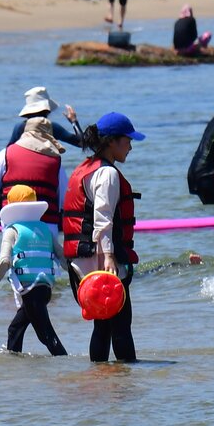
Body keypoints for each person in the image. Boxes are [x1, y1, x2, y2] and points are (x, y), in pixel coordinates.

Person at [61, 113, 144, 363]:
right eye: (127, 140)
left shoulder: (86, 167)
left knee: (102, 326)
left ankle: (100, 378)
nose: (130, 146)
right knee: (120, 326)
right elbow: (103, 218)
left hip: (82, 264)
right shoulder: (107, 174)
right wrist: (108, 256)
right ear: (112, 142)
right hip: (101, 262)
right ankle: (126, 384)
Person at [0, 189, 67, 356]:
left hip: (30, 291)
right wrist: (80, 277)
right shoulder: (46, 230)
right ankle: (15, 367)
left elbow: (4, 261)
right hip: (45, 289)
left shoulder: (12, 231)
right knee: (15, 329)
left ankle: (65, 365)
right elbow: (64, 258)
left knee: (46, 336)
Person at [0, 117, 69, 240]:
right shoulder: (56, 161)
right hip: (47, 226)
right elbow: (64, 202)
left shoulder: (5, 154)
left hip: (13, 224)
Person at [8, 86, 82, 149]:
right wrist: (74, 121)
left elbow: (8, 150)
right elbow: (82, 143)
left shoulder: (19, 127)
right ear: (47, 109)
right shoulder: (52, 127)